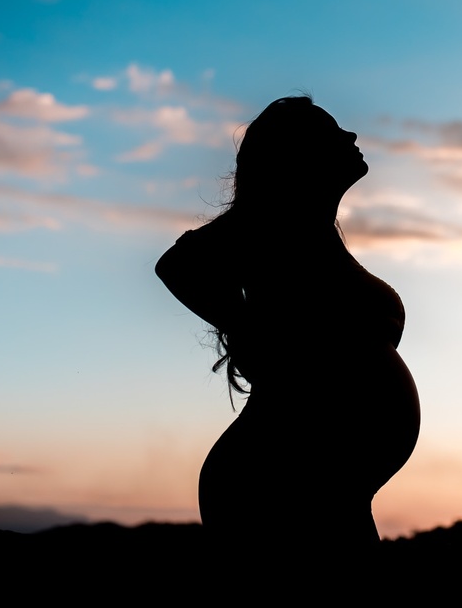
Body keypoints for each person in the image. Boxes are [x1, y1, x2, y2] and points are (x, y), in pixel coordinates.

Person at [155, 96, 420, 569]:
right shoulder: (269, 220)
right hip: (275, 483)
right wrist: (246, 329)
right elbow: (177, 265)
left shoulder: (308, 235)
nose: (351, 138)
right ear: (297, 156)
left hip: (326, 489)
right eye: (333, 131)